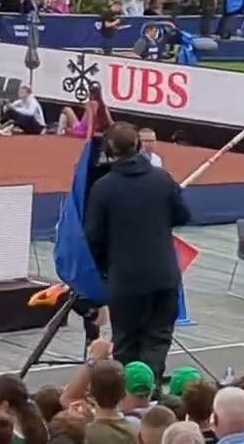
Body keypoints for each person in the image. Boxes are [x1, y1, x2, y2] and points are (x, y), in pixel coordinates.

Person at [84, 122, 191, 382]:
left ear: (110, 151)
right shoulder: (161, 178)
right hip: (163, 276)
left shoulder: (104, 187)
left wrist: (103, 271)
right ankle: (148, 395)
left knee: (127, 344)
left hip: (126, 280)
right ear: (139, 146)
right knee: (157, 341)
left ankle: (131, 401)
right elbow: (184, 215)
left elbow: (92, 238)